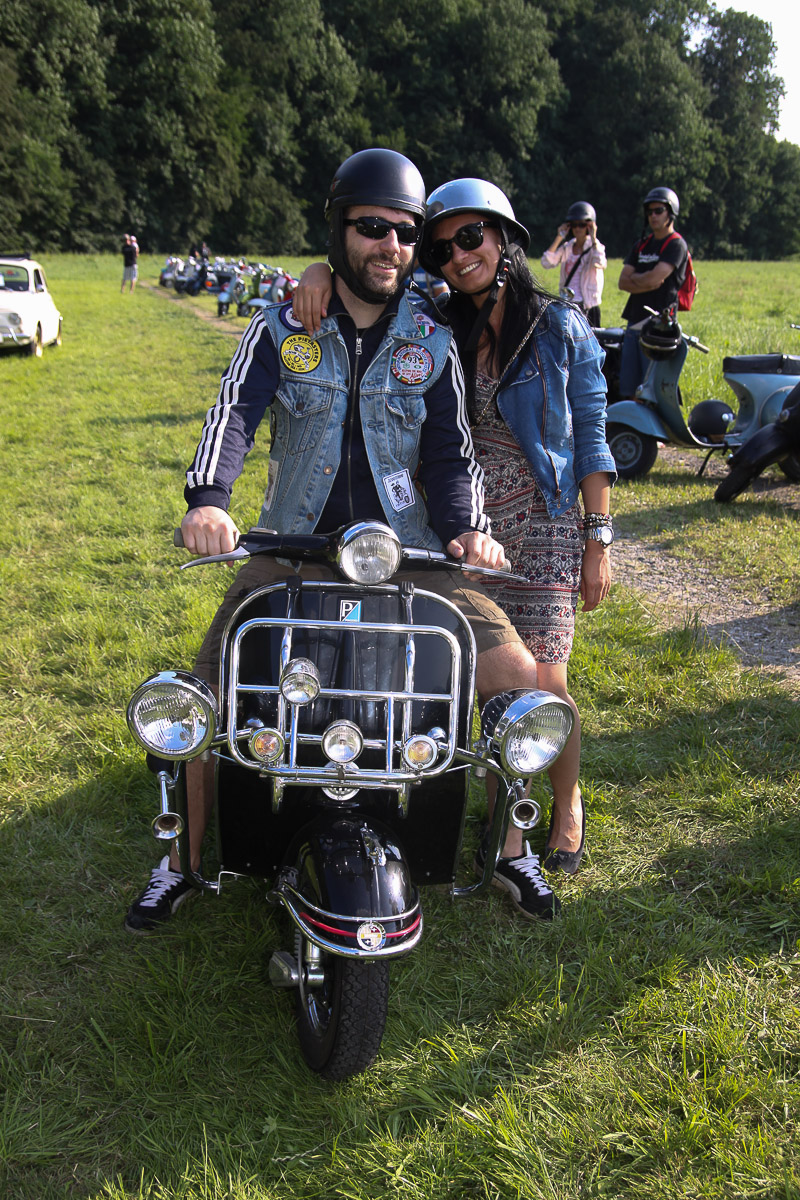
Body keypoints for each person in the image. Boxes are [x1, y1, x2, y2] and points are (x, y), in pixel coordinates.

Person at [125, 149, 562, 934]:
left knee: (515, 677)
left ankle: (509, 848)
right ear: (339, 230)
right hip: (292, 547)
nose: (390, 245)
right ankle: (180, 863)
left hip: (411, 554)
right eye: (371, 228)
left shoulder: (430, 339)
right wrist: (210, 501)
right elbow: (232, 417)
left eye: (405, 232)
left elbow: (450, 455)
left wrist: (467, 529)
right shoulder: (281, 326)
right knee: (204, 696)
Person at [292, 178, 616, 905]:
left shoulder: (560, 326)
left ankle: (561, 809)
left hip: (544, 522)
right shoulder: (434, 318)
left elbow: (592, 440)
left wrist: (598, 540)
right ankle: (492, 819)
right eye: (441, 247)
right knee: (466, 673)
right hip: (458, 525)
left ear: (504, 240)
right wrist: (315, 271)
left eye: (471, 237)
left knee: (542, 683)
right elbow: (364, 285)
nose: (457, 255)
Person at [617, 186, 688, 398]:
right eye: (649, 212)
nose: (653, 216)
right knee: (628, 389)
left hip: (660, 329)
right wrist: (646, 280)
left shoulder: (676, 245)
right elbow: (623, 282)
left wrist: (639, 278)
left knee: (653, 391)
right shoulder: (641, 245)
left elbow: (656, 279)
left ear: (671, 213)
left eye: (659, 211)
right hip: (633, 323)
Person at [540, 201, 606, 326]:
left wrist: (593, 238)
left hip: (587, 306)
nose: (577, 229)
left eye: (582, 225)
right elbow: (546, 262)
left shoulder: (595, 247)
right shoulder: (567, 247)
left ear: (589, 226)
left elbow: (600, 262)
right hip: (567, 304)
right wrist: (559, 237)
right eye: (574, 225)